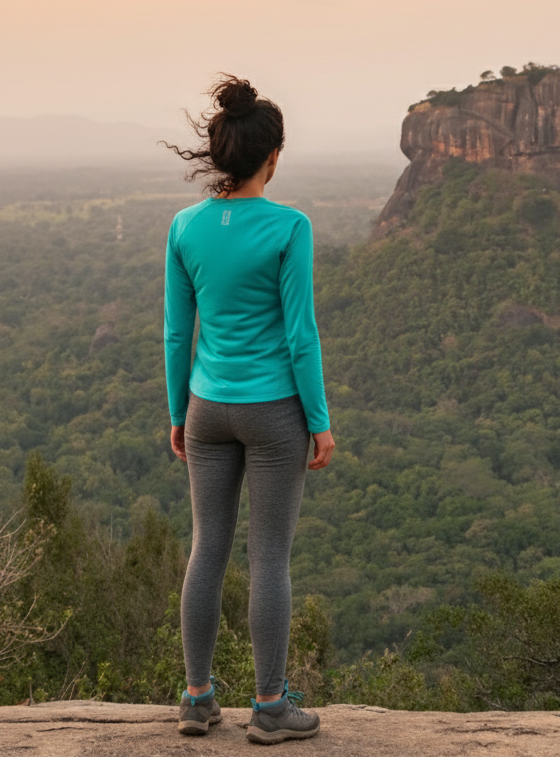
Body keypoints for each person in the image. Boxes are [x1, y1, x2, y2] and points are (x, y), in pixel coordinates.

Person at [163, 75, 334, 744]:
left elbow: (177, 333)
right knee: (268, 558)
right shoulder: (290, 226)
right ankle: (268, 707)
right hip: (273, 414)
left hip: (207, 407)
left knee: (206, 548)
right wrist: (319, 420)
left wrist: (178, 412)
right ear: (273, 156)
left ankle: (197, 699)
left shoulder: (185, 226)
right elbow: (301, 335)